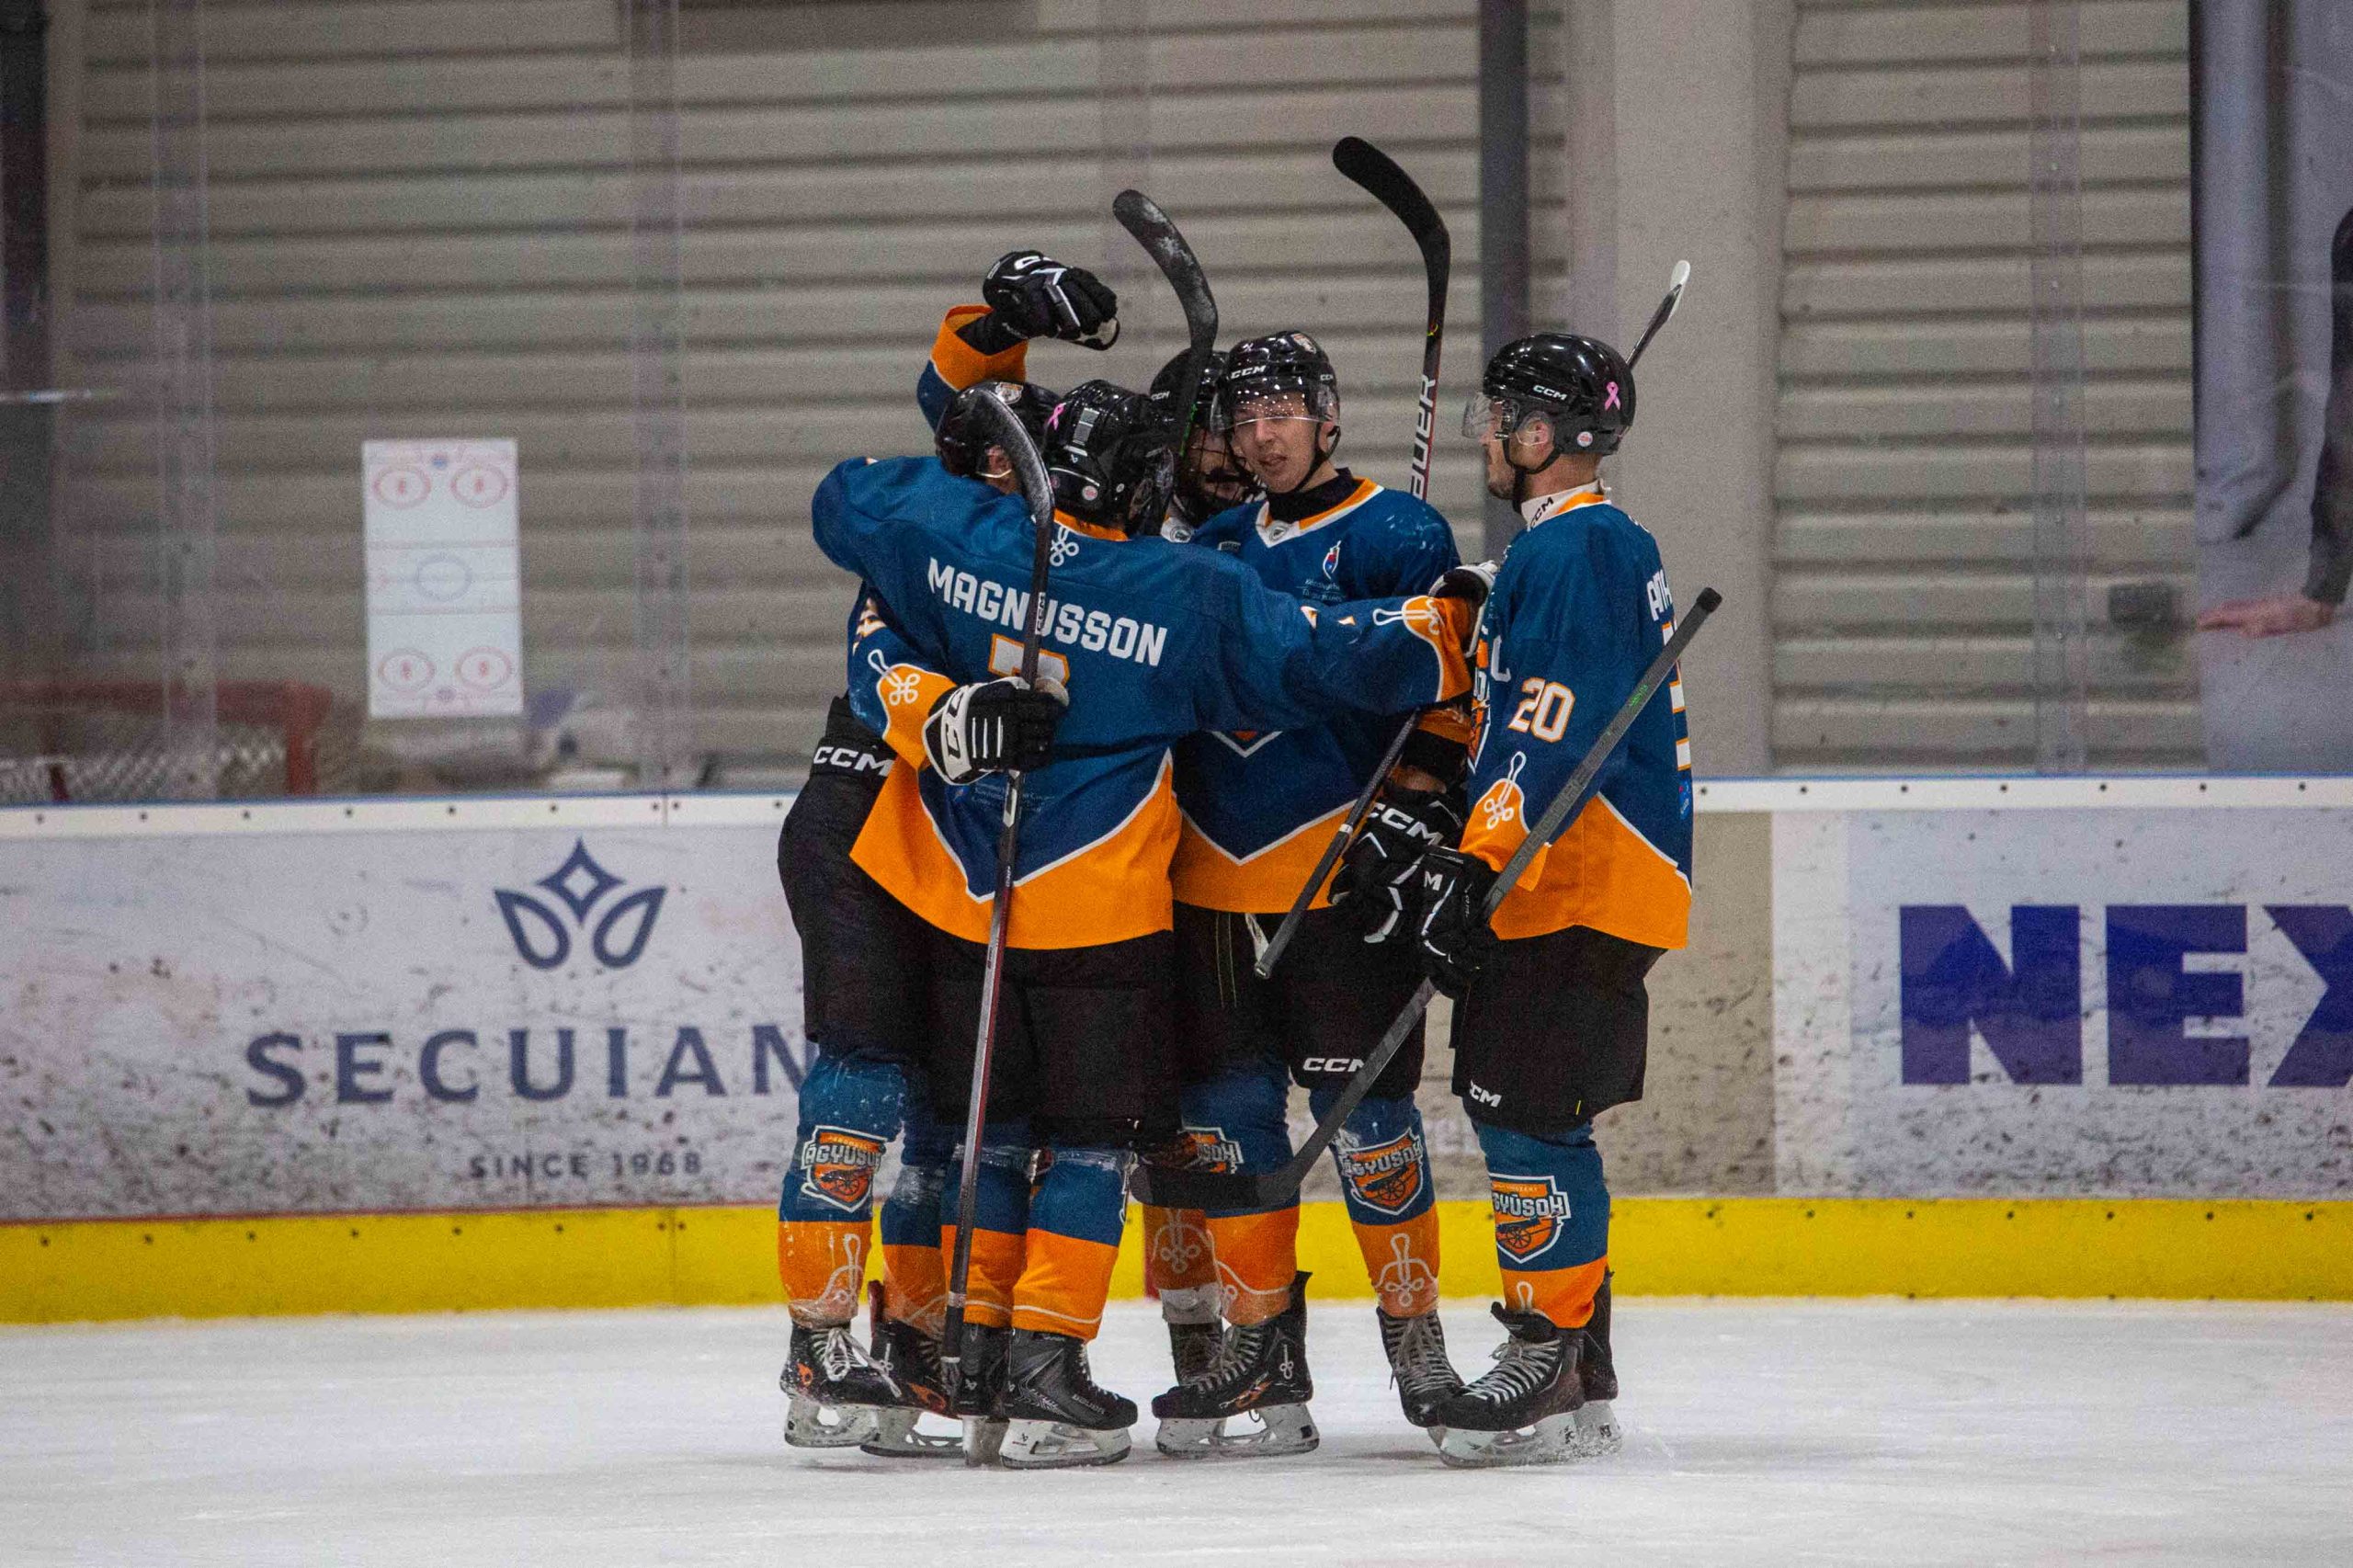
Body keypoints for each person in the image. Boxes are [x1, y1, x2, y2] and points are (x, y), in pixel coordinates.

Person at [813, 379, 1479, 1467]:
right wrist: (1444, 625)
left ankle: (973, 1357)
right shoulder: (1177, 589)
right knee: (1087, 1142)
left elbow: (844, 499)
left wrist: (967, 458)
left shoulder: (953, 532)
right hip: (1104, 910)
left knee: (990, 1134)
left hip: (970, 903)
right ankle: (1046, 1364)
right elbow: (1314, 654)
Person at [774, 251, 1116, 1456]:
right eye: (1000, 454)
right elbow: (958, 402)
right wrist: (1000, 317)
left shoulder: (1055, 548)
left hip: (961, 843)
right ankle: (818, 1347)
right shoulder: (920, 526)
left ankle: (915, 1341)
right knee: (864, 1081)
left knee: (943, 1114)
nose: (1021, 472)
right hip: (867, 814)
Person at [1148, 331, 1474, 1458]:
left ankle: (1416, 1340)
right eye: (1244, 418)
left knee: (1371, 1125)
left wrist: (1418, 797)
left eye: (1281, 411)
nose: (1261, 434)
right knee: (1227, 1127)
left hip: (1341, 880)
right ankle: (1260, 1353)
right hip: (1210, 884)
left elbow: (1453, 692)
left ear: (1328, 416)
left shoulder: (1399, 533)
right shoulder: (1212, 546)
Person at [1409, 330, 1695, 1468]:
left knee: (1523, 1113)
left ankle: (1546, 1350)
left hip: (1571, 872)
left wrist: (1478, 858)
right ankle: (1581, 1369)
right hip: (1574, 873)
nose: (1486, 433)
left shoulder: (1579, 549)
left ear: (1541, 434)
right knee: (1536, 1109)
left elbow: (1549, 722)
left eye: (1501, 416)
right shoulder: (1573, 545)